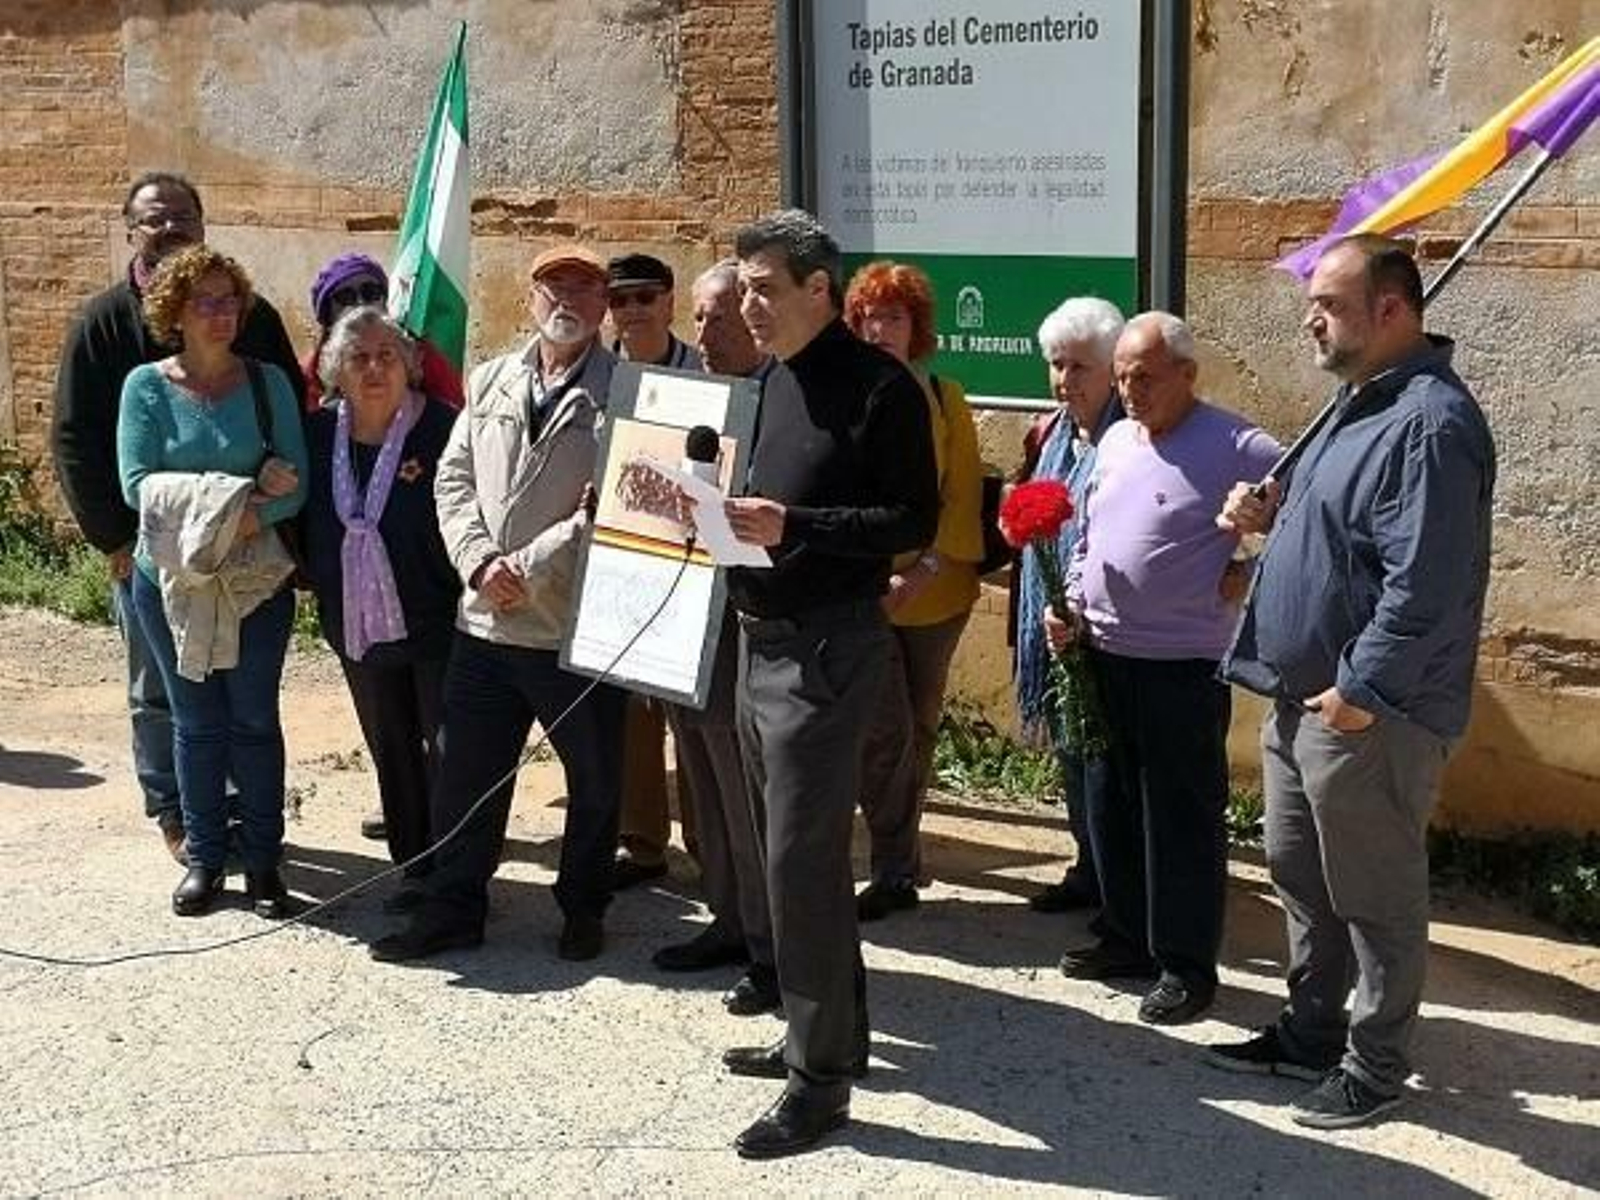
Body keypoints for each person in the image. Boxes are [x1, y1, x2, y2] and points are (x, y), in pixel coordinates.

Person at [1208, 235, 1496, 1129]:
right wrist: (1267, 514)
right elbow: (1345, 536)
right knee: (1302, 876)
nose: (1309, 317)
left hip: (1370, 712)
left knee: (1375, 896)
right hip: (1301, 701)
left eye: (1328, 303)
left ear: (1392, 310)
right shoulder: (1351, 405)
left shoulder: (1432, 424)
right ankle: (1311, 1029)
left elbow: (1427, 582)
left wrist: (1358, 691)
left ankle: (1374, 1067)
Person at [719, 210, 938, 1159]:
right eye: (742, 286)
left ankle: (820, 1087)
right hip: (755, 640)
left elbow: (909, 516)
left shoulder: (879, 388)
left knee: (800, 866)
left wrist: (794, 524)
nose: (748, 304)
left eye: (765, 287)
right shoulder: (767, 380)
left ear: (818, 290)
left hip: (825, 650)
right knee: (781, 855)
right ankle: (825, 1035)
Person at [369, 244, 624, 965]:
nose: (566, 299)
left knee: (595, 778)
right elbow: (451, 482)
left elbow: (613, 508)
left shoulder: (627, 394)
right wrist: (479, 562)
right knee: (465, 774)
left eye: (584, 285)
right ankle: (455, 907)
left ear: (604, 304)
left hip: (570, 626)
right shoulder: (490, 380)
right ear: (530, 299)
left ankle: (582, 907)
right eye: (553, 285)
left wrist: (528, 565)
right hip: (482, 621)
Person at [50, 170, 303, 863]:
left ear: (202, 223)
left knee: (240, 696)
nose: (169, 228)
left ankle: (240, 819)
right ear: (131, 228)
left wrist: (269, 514)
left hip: (247, 554)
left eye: (182, 217)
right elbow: (75, 439)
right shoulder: (103, 323)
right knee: (162, 692)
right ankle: (177, 814)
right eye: (154, 219)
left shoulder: (251, 318)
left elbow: (291, 431)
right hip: (149, 552)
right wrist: (115, 540)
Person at [1054, 312, 1280, 1026]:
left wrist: (1251, 570)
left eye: (1145, 377)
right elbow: (1090, 529)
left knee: (1179, 819)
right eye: (1121, 377)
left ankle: (1185, 966)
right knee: (1109, 804)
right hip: (1103, 653)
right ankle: (1126, 936)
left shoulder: (1240, 444)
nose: (1131, 391)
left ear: (1188, 373)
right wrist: (1071, 597)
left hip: (1182, 666)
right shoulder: (1118, 437)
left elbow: (1312, 523)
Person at [116, 245, 308, 917]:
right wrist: (243, 498)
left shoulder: (267, 384)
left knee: (254, 719)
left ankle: (263, 864)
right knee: (196, 724)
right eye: (206, 301)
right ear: (176, 310)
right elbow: (139, 487)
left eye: (230, 300)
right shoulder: (144, 387)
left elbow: (295, 485)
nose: (222, 313)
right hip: (171, 585)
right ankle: (204, 862)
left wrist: (243, 512)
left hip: (255, 581)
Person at [650, 260, 780, 1019]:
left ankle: (768, 949)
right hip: (681, 623)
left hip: (745, 628)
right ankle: (727, 921)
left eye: (721, 314)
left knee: (743, 797)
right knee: (701, 784)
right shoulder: (686, 400)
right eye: (698, 316)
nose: (706, 331)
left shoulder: (773, 402)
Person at [299, 307, 461, 908]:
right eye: (359, 357)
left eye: (387, 356)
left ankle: (459, 872)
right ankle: (414, 867)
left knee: (449, 746)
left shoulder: (441, 428)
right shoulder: (317, 435)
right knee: (391, 745)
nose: (374, 368)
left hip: (436, 616)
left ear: (411, 366)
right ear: (337, 370)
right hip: (356, 621)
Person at [842, 261, 983, 922]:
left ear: (915, 326)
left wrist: (922, 571)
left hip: (934, 587)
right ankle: (892, 862)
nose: (880, 329)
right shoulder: (844, 394)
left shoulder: (943, 395)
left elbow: (960, 493)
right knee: (881, 728)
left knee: (919, 725)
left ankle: (900, 856)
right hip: (864, 588)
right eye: (869, 316)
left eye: (893, 317)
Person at [1015, 298, 1126, 915]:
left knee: (1107, 759)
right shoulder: (1050, 433)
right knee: (1071, 749)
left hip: (1109, 630)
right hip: (1054, 628)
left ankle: (1118, 884)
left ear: (1112, 369)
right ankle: (1088, 865)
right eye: (1057, 365)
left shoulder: (1129, 439)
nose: (1065, 380)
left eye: (1080, 367)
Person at [605, 251, 704, 890]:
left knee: (694, 720)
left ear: (670, 301)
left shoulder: (704, 372)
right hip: (618, 559)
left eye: (646, 297)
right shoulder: (597, 374)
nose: (633, 310)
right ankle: (642, 843)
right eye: (621, 299)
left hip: (690, 559)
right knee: (629, 717)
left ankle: (711, 843)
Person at [302, 252, 465, 413]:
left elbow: (455, 410)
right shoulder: (309, 373)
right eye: (346, 297)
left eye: (370, 292)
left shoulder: (420, 353)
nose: (361, 303)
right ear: (327, 314)